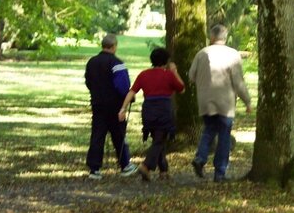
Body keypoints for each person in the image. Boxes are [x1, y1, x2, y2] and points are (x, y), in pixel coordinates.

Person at [189, 25, 252, 182]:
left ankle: (200, 158)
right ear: (225, 37)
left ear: (211, 37)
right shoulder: (232, 54)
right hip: (225, 102)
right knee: (224, 135)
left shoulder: (201, 53)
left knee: (209, 129)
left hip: (205, 100)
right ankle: (220, 173)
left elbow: (191, 76)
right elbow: (238, 82)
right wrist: (247, 101)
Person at [118, 48, 185, 181]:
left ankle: (164, 170)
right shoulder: (169, 75)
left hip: (148, 109)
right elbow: (182, 89)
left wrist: (123, 108)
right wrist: (175, 72)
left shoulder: (144, 74)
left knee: (157, 139)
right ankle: (146, 165)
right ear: (166, 61)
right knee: (160, 140)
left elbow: (132, 92)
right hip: (164, 109)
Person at [84, 33, 137, 180]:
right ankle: (125, 165)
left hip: (98, 104)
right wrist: (128, 98)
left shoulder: (92, 62)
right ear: (114, 46)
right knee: (119, 134)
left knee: (97, 135)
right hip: (115, 106)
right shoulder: (117, 63)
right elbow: (122, 85)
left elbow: (88, 82)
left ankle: (94, 169)